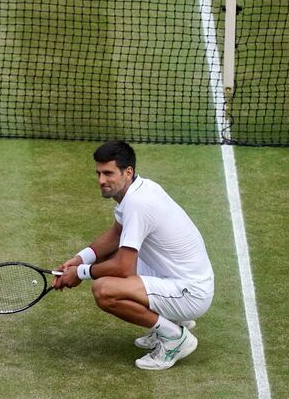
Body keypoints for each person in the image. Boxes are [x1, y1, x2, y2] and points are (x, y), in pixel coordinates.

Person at [53, 140, 214, 370]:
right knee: (106, 264)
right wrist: (80, 259)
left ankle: (174, 337)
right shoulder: (139, 189)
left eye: (108, 173)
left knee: (104, 290)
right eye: (98, 173)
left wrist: (79, 273)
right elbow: (116, 234)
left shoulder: (138, 204)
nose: (101, 181)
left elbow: (122, 268)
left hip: (191, 293)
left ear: (128, 172)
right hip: (179, 278)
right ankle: (172, 321)